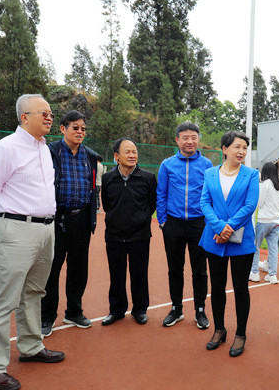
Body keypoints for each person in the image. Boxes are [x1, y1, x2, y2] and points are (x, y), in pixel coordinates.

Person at [0, 94, 65, 390]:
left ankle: (31, 346)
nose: (50, 117)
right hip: (14, 230)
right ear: (24, 117)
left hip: (45, 230)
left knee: (34, 292)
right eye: (43, 113)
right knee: (4, 300)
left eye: (50, 113)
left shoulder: (44, 149)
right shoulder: (5, 149)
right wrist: (6, 225)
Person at [200, 131, 259, 358]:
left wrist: (228, 228)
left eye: (244, 147)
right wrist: (218, 227)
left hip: (241, 240)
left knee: (241, 288)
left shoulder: (251, 174)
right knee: (217, 287)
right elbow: (205, 202)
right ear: (224, 149)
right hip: (214, 238)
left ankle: (241, 333)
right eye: (237, 146)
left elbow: (250, 205)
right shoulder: (210, 173)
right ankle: (219, 329)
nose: (241, 151)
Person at [41, 110, 99, 337]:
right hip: (57, 219)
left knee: (78, 269)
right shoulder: (49, 152)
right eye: (75, 127)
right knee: (51, 270)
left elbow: (93, 188)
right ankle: (47, 317)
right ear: (62, 129)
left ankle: (74, 312)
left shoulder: (90, 156)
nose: (80, 132)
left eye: (83, 128)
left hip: (81, 219)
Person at [157, 122, 213, 329]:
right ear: (177, 140)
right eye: (185, 137)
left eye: (193, 137)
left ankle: (200, 310)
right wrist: (163, 221)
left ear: (198, 139)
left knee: (200, 270)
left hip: (199, 224)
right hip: (173, 224)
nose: (190, 141)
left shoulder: (207, 164)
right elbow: (161, 194)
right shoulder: (167, 165)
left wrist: (207, 220)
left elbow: (211, 194)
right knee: (175, 269)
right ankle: (176, 308)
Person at [101, 138, 157, 326]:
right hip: (114, 236)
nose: (132, 155)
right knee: (116, 274)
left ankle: (140, 310)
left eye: (134, 152)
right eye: (128, 152)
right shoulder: (108, 178)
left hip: (139, 236)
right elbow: (107, 205)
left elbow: (151, 205)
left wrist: (140, 220)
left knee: (139, 274)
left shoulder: (148, 178)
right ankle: (116, 310)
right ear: (116, 156)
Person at [249, 162, 279, 283]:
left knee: (256, 246)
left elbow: (259, 203)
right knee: (273, 248)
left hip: (264, 220)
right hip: (276, 220)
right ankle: (272, 275)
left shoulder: (265, 184)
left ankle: (254, 273)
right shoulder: (278, 185)